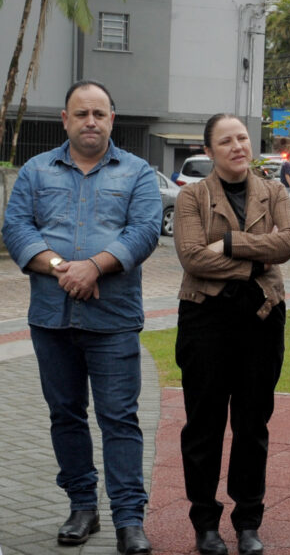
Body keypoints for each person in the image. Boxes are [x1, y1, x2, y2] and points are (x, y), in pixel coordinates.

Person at [1, 80, 159, 554]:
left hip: (114, 321)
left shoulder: (137, 173)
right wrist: (62, 268)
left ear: (112, 119)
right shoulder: (35, 171)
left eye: (99, 113)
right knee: (65, 415)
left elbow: (145, 230)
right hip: (51, 319)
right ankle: (82, 507)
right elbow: (16, 227)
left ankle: (129, 520)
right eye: (82, 113)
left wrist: (95, 266)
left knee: (120, 419)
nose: (91, 121)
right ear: (65, 119)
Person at [173, 114, 290, 555]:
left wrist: (227, 243)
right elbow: (192, 257)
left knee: (252, 424)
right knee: (203, 424)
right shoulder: (191, 196)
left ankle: (248, 520)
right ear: (209, 151)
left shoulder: (274, 191)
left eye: (242, 138)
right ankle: (205, 522)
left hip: (262, 318)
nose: (237, 146)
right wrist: (257, 261)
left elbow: (289, 243)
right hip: (204, 319)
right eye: (225, 141)